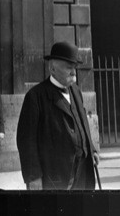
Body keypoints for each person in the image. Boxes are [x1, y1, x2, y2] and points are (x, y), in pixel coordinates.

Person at [16, 41, 100, 190]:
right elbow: (26, 141)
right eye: (69, 67)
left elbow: (83, 124)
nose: (74, 72)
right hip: (55, 175)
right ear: (52, 68)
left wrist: (91, 149)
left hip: (82, 171)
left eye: (75, 67)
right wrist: (34, 177)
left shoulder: (75, 90)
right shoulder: (36, 96)